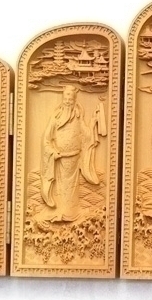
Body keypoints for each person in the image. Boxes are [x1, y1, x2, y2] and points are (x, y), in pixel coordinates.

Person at [40, 84, 105, 223]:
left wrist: (92, 122)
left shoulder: (78, 116)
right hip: (60, 159)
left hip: (74, 158)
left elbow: (86, 135)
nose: (68, 101)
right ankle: (61, 212)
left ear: (74, 100)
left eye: (71, 98)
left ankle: (71, 213)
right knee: (61, 188)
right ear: (63, 99)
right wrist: (52, 152)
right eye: (66, 98)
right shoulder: (56, 117)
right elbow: (46, 139)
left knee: (72, 188)